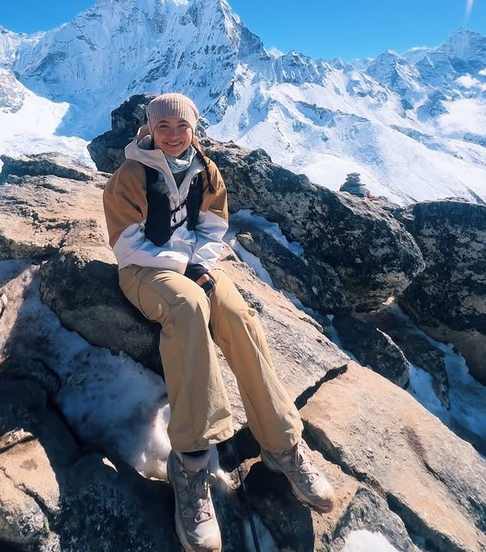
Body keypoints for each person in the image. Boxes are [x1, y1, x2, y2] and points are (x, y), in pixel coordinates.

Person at [103, 92, 334, 552]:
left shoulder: (205, 170)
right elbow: (125, 243)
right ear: (150, 129)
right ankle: (191, 463)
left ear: (193, 129)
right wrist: (180, 265)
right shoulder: (129, 176)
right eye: (163, 126)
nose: (172, 135)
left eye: (181, 126)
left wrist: (198, 262)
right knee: (188, 308)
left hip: (193, 265)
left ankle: (282, 442)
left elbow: (213, 228)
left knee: (237, 315)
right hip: (143, 271)